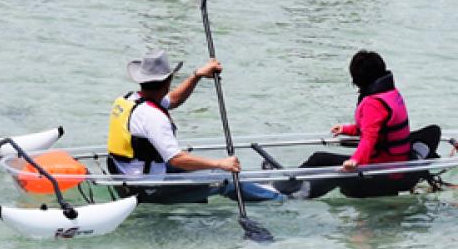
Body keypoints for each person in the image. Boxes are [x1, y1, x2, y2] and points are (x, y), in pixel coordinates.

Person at [276, 51, 434, 199]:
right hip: (396, 164)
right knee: (325, 161)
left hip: (384, 169)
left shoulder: (373, 103)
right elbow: (377, 128)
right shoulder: (390, 93)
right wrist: (347, 129)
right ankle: (296, 185)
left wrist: (355, 160)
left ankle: (286, 187)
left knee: (319, 158)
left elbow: (370, 138)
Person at [107, 50, 241, 202]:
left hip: (126, 176)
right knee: (224, 177)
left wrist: (197, 76)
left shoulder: (129, 100)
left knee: (204, 166)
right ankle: (273, 197)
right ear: (169, 81)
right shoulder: (153, 116)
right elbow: (176, 160)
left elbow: (173, 100)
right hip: (147, 188)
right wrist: (220, 163)